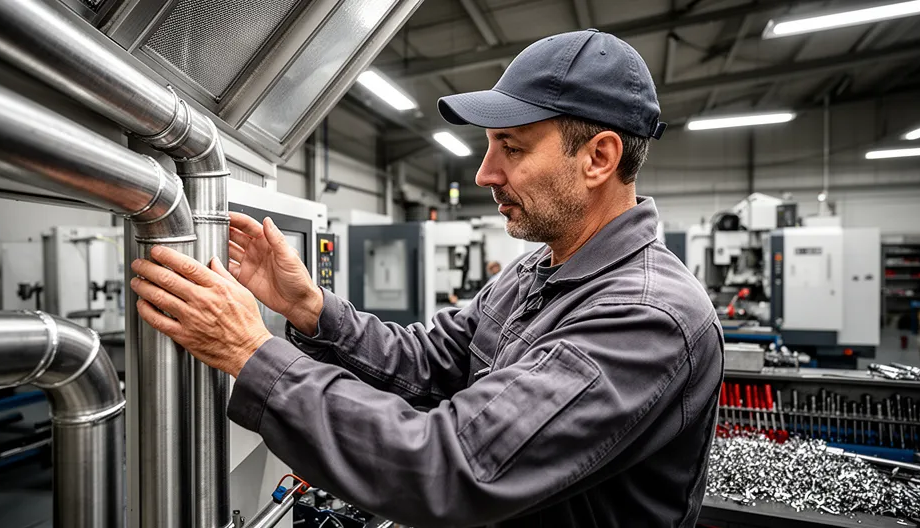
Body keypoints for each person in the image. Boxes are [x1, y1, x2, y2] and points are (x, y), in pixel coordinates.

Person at [130, 29, 723, 528]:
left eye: (511, 148)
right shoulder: (539, 270)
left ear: (599, 157)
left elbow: (455, 466)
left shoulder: (646, 318)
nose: (485, 173)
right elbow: (430, 361)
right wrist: (310, 308)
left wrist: (250, 353)